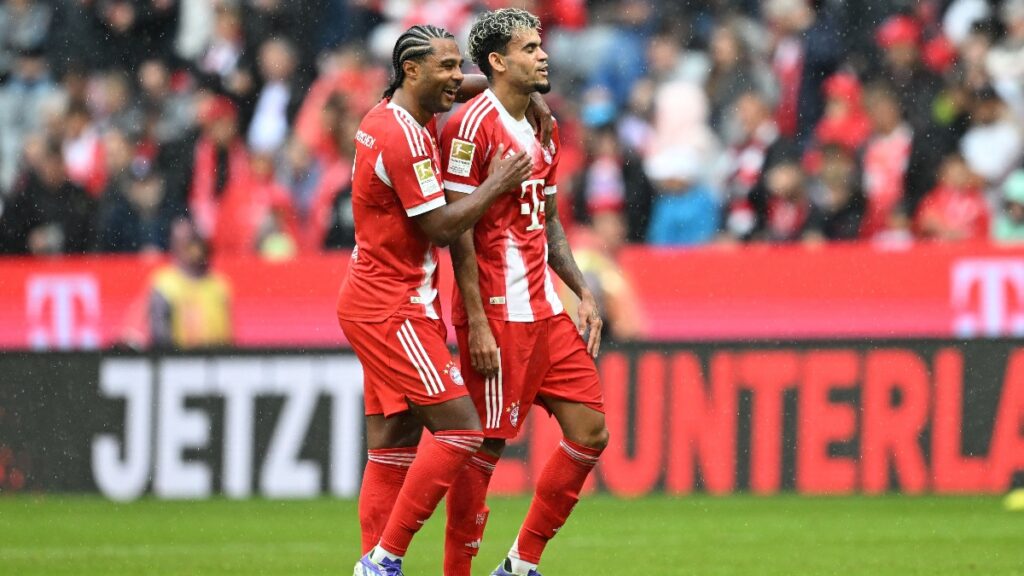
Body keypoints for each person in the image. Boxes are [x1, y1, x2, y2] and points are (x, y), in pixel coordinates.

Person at [339, 24, 534, 576]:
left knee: (392, 445)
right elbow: (443, 228)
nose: (457, 77)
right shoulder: (403, 138)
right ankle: (384, 558)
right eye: (446, 67)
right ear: (411, 71)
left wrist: (504, 89)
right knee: (461, 429)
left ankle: (375, 563)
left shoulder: (392, 114)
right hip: (392, 307)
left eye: (459, 66)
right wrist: (496, 183)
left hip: (372, 296)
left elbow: (462, 88)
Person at [439, 9, 610, 576]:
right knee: (483, 449)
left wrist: (580, 289)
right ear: (497, 61)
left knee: (590, 430)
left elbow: (550, 218)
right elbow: (457, 227)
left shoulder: (545, 123)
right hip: (498, 311)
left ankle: (519, 564)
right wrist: (476, 321)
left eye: (542, 45)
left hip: (544, 308)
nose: (543, 55)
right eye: (530, 48)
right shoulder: (472, 126)